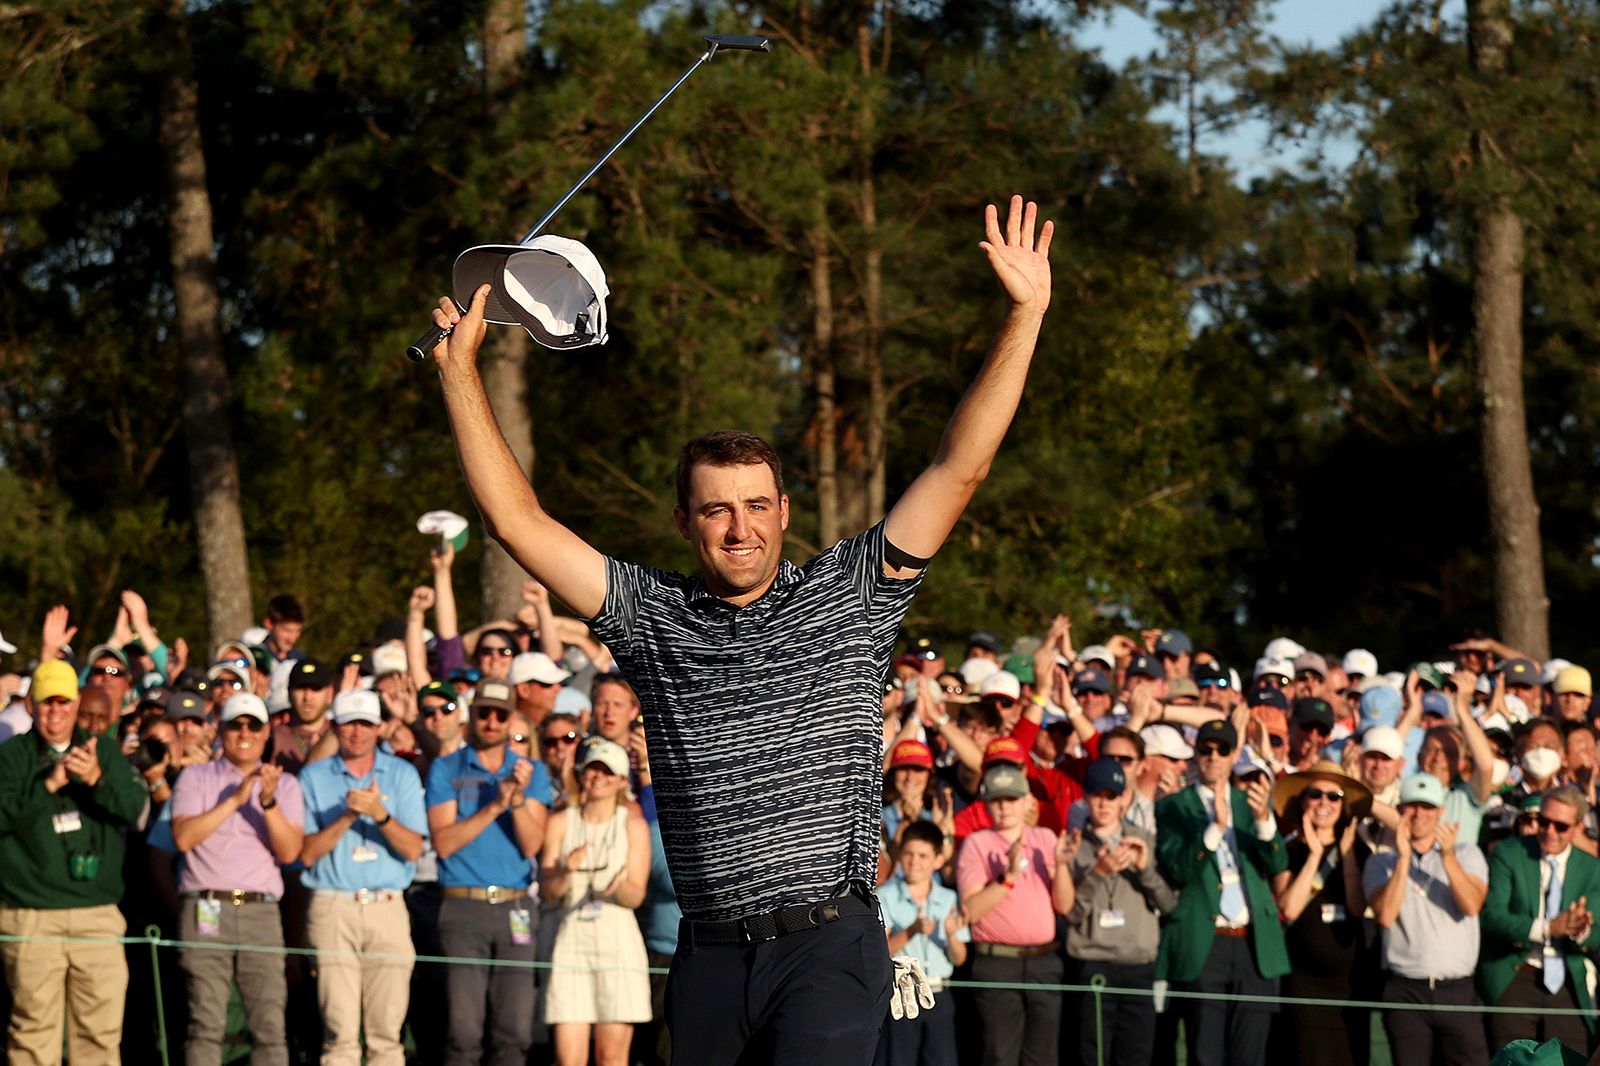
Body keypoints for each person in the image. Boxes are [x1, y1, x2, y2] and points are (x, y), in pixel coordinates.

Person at [425, 194, 1052, 1064]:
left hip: (827, 949)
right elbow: (519, 523)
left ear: (785, 511)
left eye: (757, 506)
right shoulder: (651, 618)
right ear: (685, 522)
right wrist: (460, 376)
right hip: (709, 956)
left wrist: (1024, 315)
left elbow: (960, 466)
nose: (740, 528)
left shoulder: (851, 594)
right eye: (716, 511)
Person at [0, 660, 148, 1065]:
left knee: (99, 1037)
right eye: (47, 703)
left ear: (76, 703)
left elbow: (136, 810)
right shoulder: (12, 757)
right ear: (31, 706)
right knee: (33, 1035)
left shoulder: (103, 750)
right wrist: (47, 786)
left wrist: (100, 779)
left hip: (97, 916)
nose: (56, 711)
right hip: (31, 915)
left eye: (64, 702)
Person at [170, 692, 306, 1066]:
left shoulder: (287, 786)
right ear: (221, 731)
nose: (244, 733)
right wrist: (233, 799)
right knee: (205, 1025)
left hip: (260, 913)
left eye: (253, 725)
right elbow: (183, 838)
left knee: (269, 1029)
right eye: (236, 725)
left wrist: (267, 802)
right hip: (206, 909)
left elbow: (290, 852)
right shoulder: (195, 778)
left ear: (266, 734)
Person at [425, 678, 553, 1066]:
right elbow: (444, 842)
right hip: (463, 907)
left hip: (515, 906)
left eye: (501, 714)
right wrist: (495, 806)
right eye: (485, 713)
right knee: (464, 1034)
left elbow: (532, 844)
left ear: (511, 717)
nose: (493, 722)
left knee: (513, 1033)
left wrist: (516, 801)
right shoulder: (446, 768)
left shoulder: (532, 771)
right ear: (472, 715)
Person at [297, 690, 428, 1066]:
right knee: (339, 1035)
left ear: (380, 728)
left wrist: (380, 814)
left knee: (386, 1035)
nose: (357, 732)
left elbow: (414, 849)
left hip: (388, 905)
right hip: (332, 905)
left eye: (366, 724)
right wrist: (349, 816)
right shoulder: (313, 776)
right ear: (335, 727)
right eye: (350, 723)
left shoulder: (401, 773)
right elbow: (306, 853)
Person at [1155, 719, 1289, 1066]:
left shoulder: (1251, 804)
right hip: (1204, 938)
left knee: (1250, 1053)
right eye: (1205, 749)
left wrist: (1263, 822)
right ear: (1196, 755)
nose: (1213, 757)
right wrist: (1213, 830)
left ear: (1233, 756)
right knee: (1205, 1052)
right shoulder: (1174, 806)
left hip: (1254, 942)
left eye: (1222, 750)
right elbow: (1178, 869)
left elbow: (1276, 865)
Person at [539, 737, 652, 1066]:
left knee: (611, 1058)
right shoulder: (561, 821)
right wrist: (565, 872)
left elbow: (636, 894)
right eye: (592, 770)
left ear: (620, 780)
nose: (598, 778)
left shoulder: (633, 825)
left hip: (617, 937)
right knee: (568, 1058)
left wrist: (617, 889)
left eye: (607, 772)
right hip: (571, 935)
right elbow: (548, 889)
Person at [1364, 773, 1488, 1066]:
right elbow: (1385, 915)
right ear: (1400, 810)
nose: (1419, 814)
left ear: (1440, 812)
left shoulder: (1467, 853)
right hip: (1406, 991)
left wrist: (1447, 857)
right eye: (1411, 806)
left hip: (1456, 989)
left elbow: (1471, 905)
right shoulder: (1381, 862)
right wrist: (1404, 859)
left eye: (1428, 807)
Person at [957, 762, 1074, 1065]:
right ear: (986, 803)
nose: (1004, 807)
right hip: (998, 963)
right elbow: (970, 910)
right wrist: (1007, 877)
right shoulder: (976, 844)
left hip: (1044, 961)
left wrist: (1060, 865)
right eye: (997, 799)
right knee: (999, 1054)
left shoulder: (1046, 839)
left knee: (1043, 1057)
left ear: (1026, 802)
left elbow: (1064, 906)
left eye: (1011, 799)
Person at [1061, 756, 1175, 1066]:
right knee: (1092, 1055)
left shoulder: (1145, 840)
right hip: (1093, 964)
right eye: (1097, 795)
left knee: (1135, 1055)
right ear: (1085, 797)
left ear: (1124, 799)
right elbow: (1070, 913)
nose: (1104, 804)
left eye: (1112, 795)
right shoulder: (1073, 846)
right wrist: (1097, 874)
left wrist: (1145, 869)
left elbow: (1168, 905)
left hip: (1138, 965)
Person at [1478, 784, 1600, 1054]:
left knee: (1570, 1059)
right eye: (1543, 821)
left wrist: (1580, 929)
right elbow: (1492, 917)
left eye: (1561, 826)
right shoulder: (1509, 853)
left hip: (1569, 981)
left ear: (1578, 827)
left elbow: (1597, 932)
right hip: (1515, 975)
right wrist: (1547, 928)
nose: (1549, 832)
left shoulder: (1592, 868)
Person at [1269, 761, 1374, 1066]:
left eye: (1335, 796)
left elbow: (1357, 908)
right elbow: (1288, 908)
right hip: (1301, 983)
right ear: (1302, 800)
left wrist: (1346, 854)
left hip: (1349, 984)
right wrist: (1315, 854)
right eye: (1315, 794)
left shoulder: (1358, 850)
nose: (1324, 803)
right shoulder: (1287, 850)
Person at [879, 820, 968, 1066]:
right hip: (902, 995)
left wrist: (951, 934)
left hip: (939, 995)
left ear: (938, 860)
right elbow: (882, 952)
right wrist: (911, 931)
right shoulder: (885, 895)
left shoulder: (948, 898)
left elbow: (959, 957)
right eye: (908, 853)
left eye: (923, 856)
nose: (914, 862)